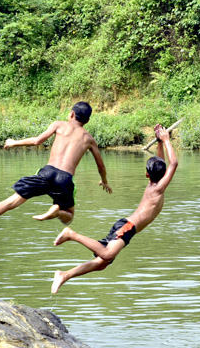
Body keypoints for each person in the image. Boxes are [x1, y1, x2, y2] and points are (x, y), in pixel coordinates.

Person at [0, 101, 112, 248]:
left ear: (71, 114)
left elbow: (37, 141)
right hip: (65, 178)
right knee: (69, 216)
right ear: (88, 120)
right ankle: (57, 212)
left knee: (12, 201)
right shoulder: (89, 139)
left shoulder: (59, 125)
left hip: (47, 172)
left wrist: (13, 142)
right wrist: (104, 181)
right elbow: (101, 166)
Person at [50, 123, 178, 294]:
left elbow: (163, 162)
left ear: (147, 174)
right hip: (127, 228)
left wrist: (160, 142)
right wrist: (167, 140)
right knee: (107, 255)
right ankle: (71, 234)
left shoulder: (155, 185)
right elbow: (173, 163)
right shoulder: (157, 188)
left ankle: (64, 275)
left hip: (127, 228)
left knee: (101, 264)